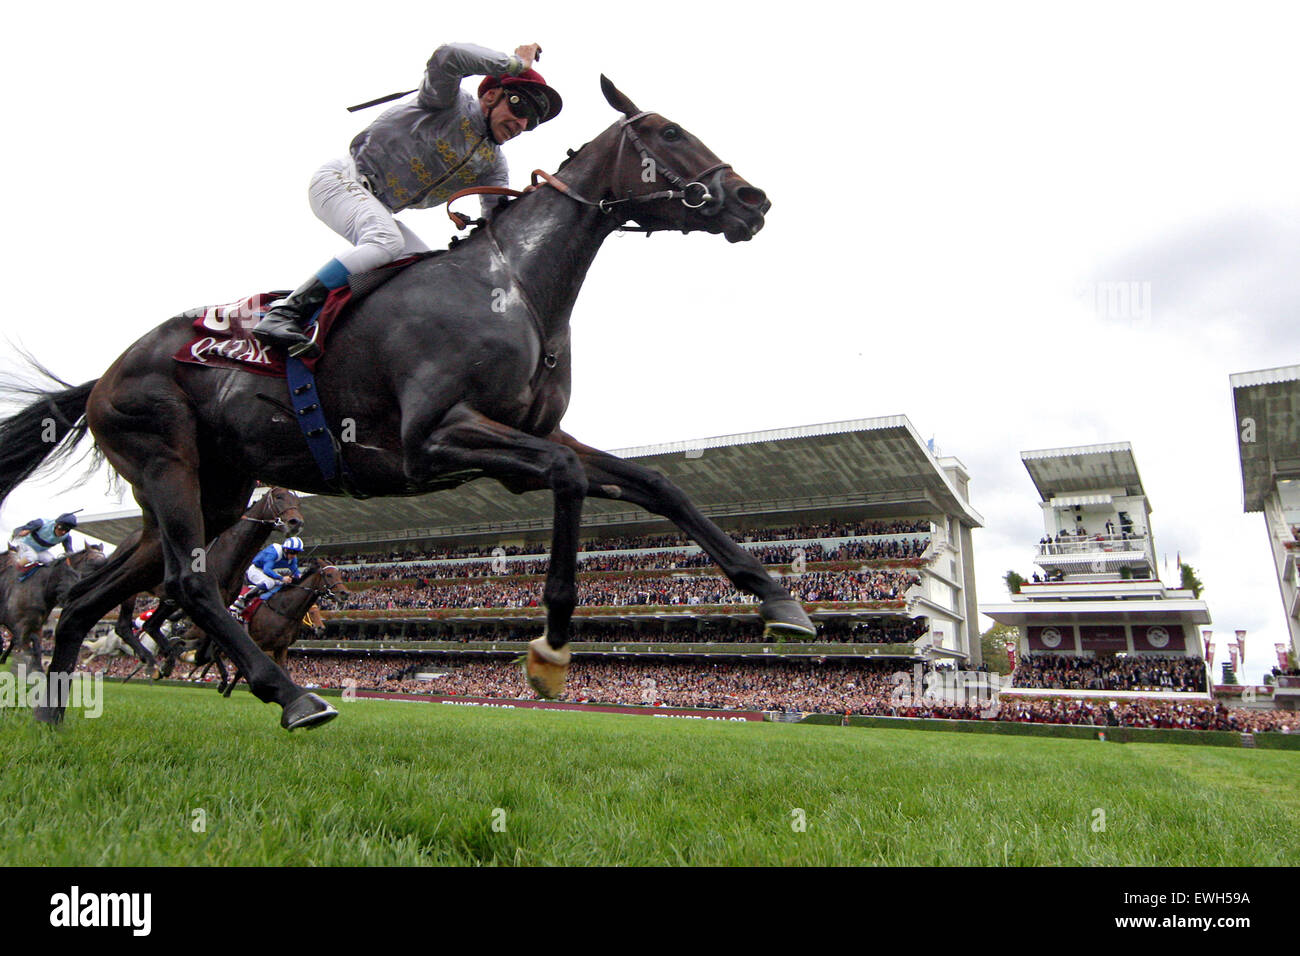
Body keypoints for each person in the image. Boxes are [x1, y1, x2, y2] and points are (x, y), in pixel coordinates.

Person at [253, 41, 563, 359]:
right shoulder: (445, 101)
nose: (522, 124)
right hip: (341, 180)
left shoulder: (493, 164)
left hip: (378, 207)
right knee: (385, 241)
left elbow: (497, 221)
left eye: (532, 122)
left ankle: (350, 341)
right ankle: (285, 313)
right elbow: (448, 56)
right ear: (489, 96)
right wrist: (514, 66)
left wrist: (537, 204)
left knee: (433, 274)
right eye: (520, 108)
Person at [233, 536, 305, 612]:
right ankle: (243, 600)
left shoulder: (292, 559)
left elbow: (296, 571)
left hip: (268, 572)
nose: (294, 555)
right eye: (293, 552)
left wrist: (301, 576)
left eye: (297, 552)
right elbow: (266, 570)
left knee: (283, 584)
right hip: (255, 570)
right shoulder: (274, 552)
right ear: (286, 549)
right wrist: (282, 578)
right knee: (269, 582)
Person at [9, 512, 78, 569]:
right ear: (56, 524)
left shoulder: (66, 537)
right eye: (62, 528)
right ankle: (14, 569)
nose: (63, 532)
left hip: (39, 551)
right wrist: (22, 532)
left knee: (51, 561)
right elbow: (18, 530)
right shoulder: (42, 523)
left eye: (67, 530)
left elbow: (70, 552)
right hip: (24, 545)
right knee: (32, 556)